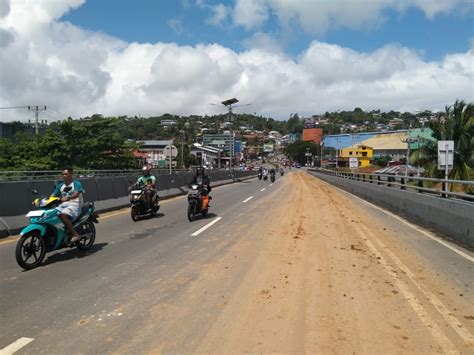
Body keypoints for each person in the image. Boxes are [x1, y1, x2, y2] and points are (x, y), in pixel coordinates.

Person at [51, 168, 84, 243]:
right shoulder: (60, 185)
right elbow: (53, 195)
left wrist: (68, 197)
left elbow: (76, 193)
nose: (64, 175)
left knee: (63, 215)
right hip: (63, 205)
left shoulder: (76, 183)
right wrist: (46, 200)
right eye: (63, 174)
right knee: (51, 215)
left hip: (75, 205)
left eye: (66, 174)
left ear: (71, 174)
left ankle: (75, 234)